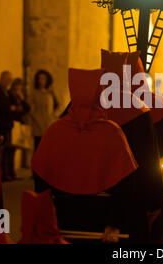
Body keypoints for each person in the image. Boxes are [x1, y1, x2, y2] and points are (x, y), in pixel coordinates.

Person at [32, 69, 138, 244]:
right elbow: (125, 182)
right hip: (101, 217)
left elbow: (41, 177)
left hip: (61, 215)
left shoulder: (55, 131)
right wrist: (115, 223)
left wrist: (44, 219)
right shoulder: (112, 132)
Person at [101, 50, 163, 243]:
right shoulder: (140, 109)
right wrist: (154, 201)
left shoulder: (88, 105)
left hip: (84, 203)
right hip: (134, 194)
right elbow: (150, 157)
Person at [0, 71, 15, 181]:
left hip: (7, 126)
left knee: (6, 151)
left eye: (10, 80)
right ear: (2, 78)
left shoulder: (8, 92)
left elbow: (22, 106)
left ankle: (5, 174)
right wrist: (10, 108)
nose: (9, 82)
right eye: (7, 79)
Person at [7, 78, 31, 178]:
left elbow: (27, 109)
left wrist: (21, 99)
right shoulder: (9, 94)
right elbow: (10, 108)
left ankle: (11, 173)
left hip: (18, 124)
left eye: (20, 85)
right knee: (9, 149)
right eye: (17, 85)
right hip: (11, 124)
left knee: (14, 149)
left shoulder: (19, 96)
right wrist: (17, 109)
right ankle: (7, 173)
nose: (18, 87)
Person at [29, 70, 58, 151]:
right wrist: (36, 120)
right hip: (38, 125)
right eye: (39, 78)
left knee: (48, 149)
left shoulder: (50, 93)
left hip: (48, 124)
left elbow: (56, 106)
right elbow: (31, 109)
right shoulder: (34, 93)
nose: (41, 80)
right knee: (38, 148)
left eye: (43, 78)